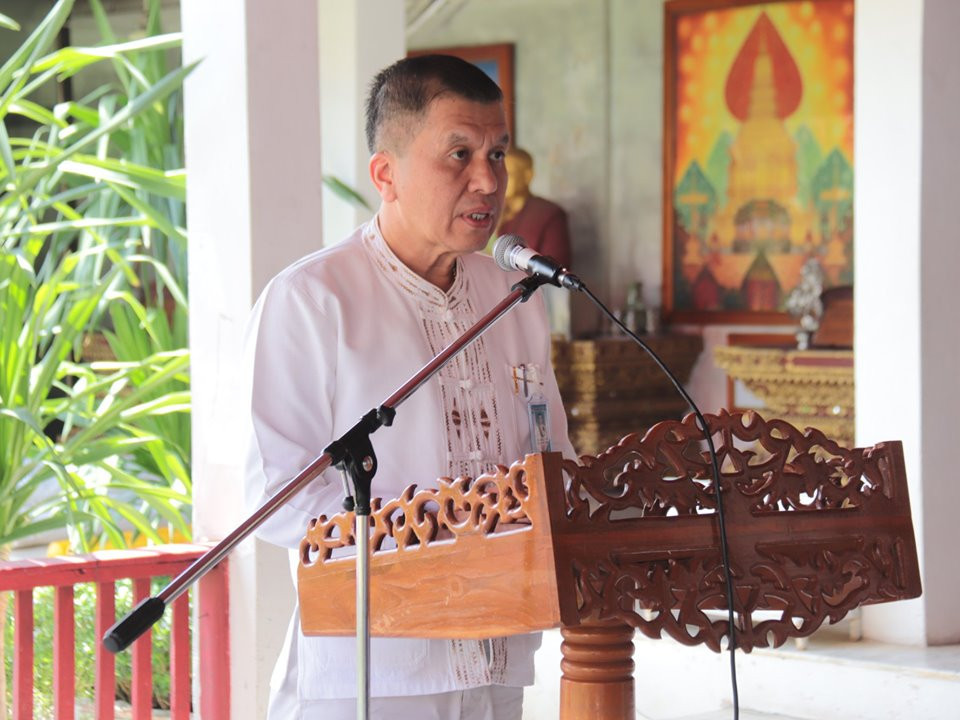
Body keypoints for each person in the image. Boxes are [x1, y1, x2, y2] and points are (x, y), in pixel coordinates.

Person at [243, 54, 574, 720]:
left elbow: (551, 459)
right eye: (458, 154)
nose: (487, 180)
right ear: (385, 174)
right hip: (373, 672)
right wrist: (435, 535)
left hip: (497, 653)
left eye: (498, 154)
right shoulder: (313, 299)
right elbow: (274, 495)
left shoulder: (513, 296)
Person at [496, 147, 572, 269]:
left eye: (510, 173)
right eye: (500, 173)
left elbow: (555, 270)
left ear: (528, 176)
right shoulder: (492, 211)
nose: (503, 180)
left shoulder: (549, 214)